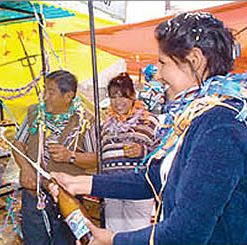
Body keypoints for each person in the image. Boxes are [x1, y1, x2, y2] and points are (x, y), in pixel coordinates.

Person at [49, 12, 247, 245]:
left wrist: (112, 240)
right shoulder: (195, 115)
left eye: (163, 63)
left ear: (195, 60)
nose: (159, 74)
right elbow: (154, 178)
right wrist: (82, 183)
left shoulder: (220, 125)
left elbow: (185, 235)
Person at [13, 70, 97, 245]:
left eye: (51, 92)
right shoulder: (34, 114)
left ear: (68, 96)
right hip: (34, 194)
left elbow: (95, 158)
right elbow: (18, 144)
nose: (45, 96)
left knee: (66, 241)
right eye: (45, 90)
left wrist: (70, 157)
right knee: (35, 240)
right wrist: (26, 168)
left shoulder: (85, 121)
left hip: (67, 198)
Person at [101, 72, 159, 232]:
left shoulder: (150, 121)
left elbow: (163, 153)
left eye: (123, 97)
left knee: (136, 233)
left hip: (137, 186)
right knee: (113, 234)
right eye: (113, 97)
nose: (118, 102)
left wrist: (143, 151)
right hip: (111, 187)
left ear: (133, 96)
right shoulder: (105, 125)